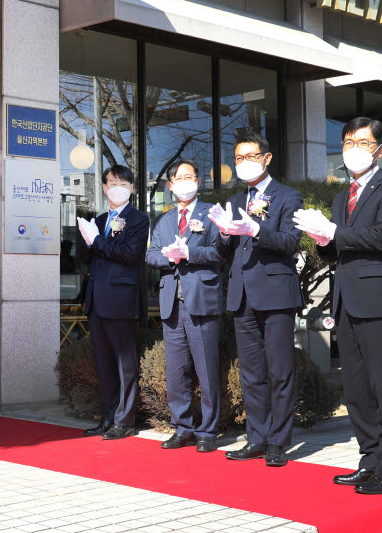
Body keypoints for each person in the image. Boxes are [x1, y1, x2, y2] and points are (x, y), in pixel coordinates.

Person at [294, 117, 382, 495]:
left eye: (362, 142)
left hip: (379, 302)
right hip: (346, 300)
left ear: (379, 148)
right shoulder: (342, 195)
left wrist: (335, 233)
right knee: (357, 389)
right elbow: (338, 248)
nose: (353, 149)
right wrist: (321, 238)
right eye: (347, 142)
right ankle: (369, 459)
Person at [207, 131, 304, 467]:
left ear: (267, 158)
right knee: (250, 373)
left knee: (279, 370)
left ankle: (278, 441)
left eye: (250, 156)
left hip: (276, 295)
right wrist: (222, 233)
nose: (244, 163)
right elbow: (222, 252)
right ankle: (257, 437)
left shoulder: (288, 197)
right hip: (241, 295)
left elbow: (292, 243)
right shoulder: (234, 201)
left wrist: (258, 230)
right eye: (238, 158)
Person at [146, 160, 226, 452]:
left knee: (206, 368)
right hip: (172, 304)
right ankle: (182, 426)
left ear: (198, 181)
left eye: (189, 177)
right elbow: (151, 255)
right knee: (176, 371)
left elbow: (219, 252)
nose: (184, 182)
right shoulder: (165, 220)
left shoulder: (210, 214)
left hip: (202, 301)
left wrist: (189, 252)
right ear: (170, 185)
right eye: (178, 178)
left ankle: (208, 429)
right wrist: (169, 257)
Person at [77, 165, 150, 440]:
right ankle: (107, 417)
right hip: (96, 299)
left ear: (131, 188)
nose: (117, 187)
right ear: (104, 188)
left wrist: (97, 241)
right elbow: (87, 258)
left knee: (124, 363)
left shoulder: (138, 219)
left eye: (123, 183)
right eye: (111, 183)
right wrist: (85, 238)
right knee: (104, 363)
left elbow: (130, 254)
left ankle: (125, 420)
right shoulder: (98, 219)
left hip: (122, 300)